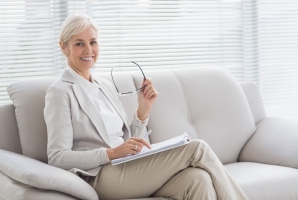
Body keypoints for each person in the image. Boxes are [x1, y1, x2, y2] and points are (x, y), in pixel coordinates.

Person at [44, 14, 249, 200]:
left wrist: (143, 111)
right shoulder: (60, 92)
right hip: (100, 176)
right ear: (63, 47)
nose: (88, 50)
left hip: (126, 166)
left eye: (93, 42)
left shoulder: (105, 87)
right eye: (79, 44)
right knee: (197, 148)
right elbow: (57, 157)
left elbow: (128, 142)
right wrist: (110, 153)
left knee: (198, 179)